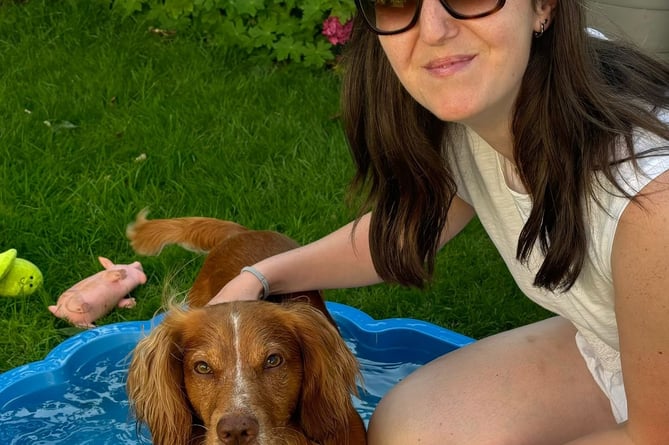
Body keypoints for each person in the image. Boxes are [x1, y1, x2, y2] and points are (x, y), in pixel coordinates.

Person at [208, 0, 669, 443]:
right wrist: (261, 276)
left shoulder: (652, 205)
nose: (432, 29)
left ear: (544, 6)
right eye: (396, 0)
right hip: (616, 348)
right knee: (410, 432)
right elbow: (402, 234)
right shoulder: (498, 98)